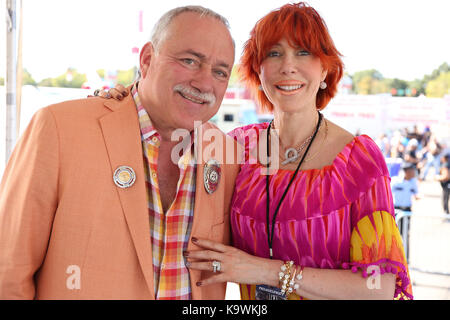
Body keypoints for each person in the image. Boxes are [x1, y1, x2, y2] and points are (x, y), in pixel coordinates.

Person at [105, 2, 412, 300]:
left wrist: (266, 272)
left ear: (325, 71)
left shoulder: (357, 159)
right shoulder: (236, 147)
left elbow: (379, 288)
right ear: (259, 71)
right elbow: (164, 137)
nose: (287, 66)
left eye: (303, 53)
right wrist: (120, 100)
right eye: (274, 53)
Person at [0, 6, 240, 299]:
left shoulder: (229, 156)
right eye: (190, 60)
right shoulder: (59, 129)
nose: (204, 83)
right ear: (148, 59)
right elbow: (8, 271)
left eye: (220, 72)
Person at [391, 162, 419, 262]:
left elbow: (416, 193)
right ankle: (392, 256)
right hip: (396, 210)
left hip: (406, 210)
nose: (414, 173)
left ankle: (405, 258)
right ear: (406, 171)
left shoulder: (413, 182)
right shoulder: (395, 181)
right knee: (393, 234)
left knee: (405, 233)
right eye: (412, 171)